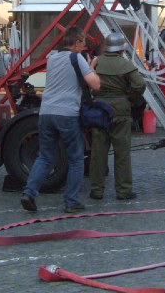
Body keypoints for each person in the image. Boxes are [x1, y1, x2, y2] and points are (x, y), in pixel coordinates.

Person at [20, 26, 101, 213]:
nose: (85, 47)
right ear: (78, 42)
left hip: (46, 112)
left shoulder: (53, 59)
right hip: (66, 114)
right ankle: (71, 202)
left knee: (46, 157)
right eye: (83, 43)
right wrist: (91, 67)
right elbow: (95, 85)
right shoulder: (77, 58)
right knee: (76, 159)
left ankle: (29, 193)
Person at [89, 32, 146, 201]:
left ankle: (96, 190)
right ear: (121, 49)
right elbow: (140, 85)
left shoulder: (97, 62)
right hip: (121, 109)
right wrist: (130, 98)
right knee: (122, 153)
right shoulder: (126, 64)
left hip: (99, 108)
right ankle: (123, 191)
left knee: (98, 153)